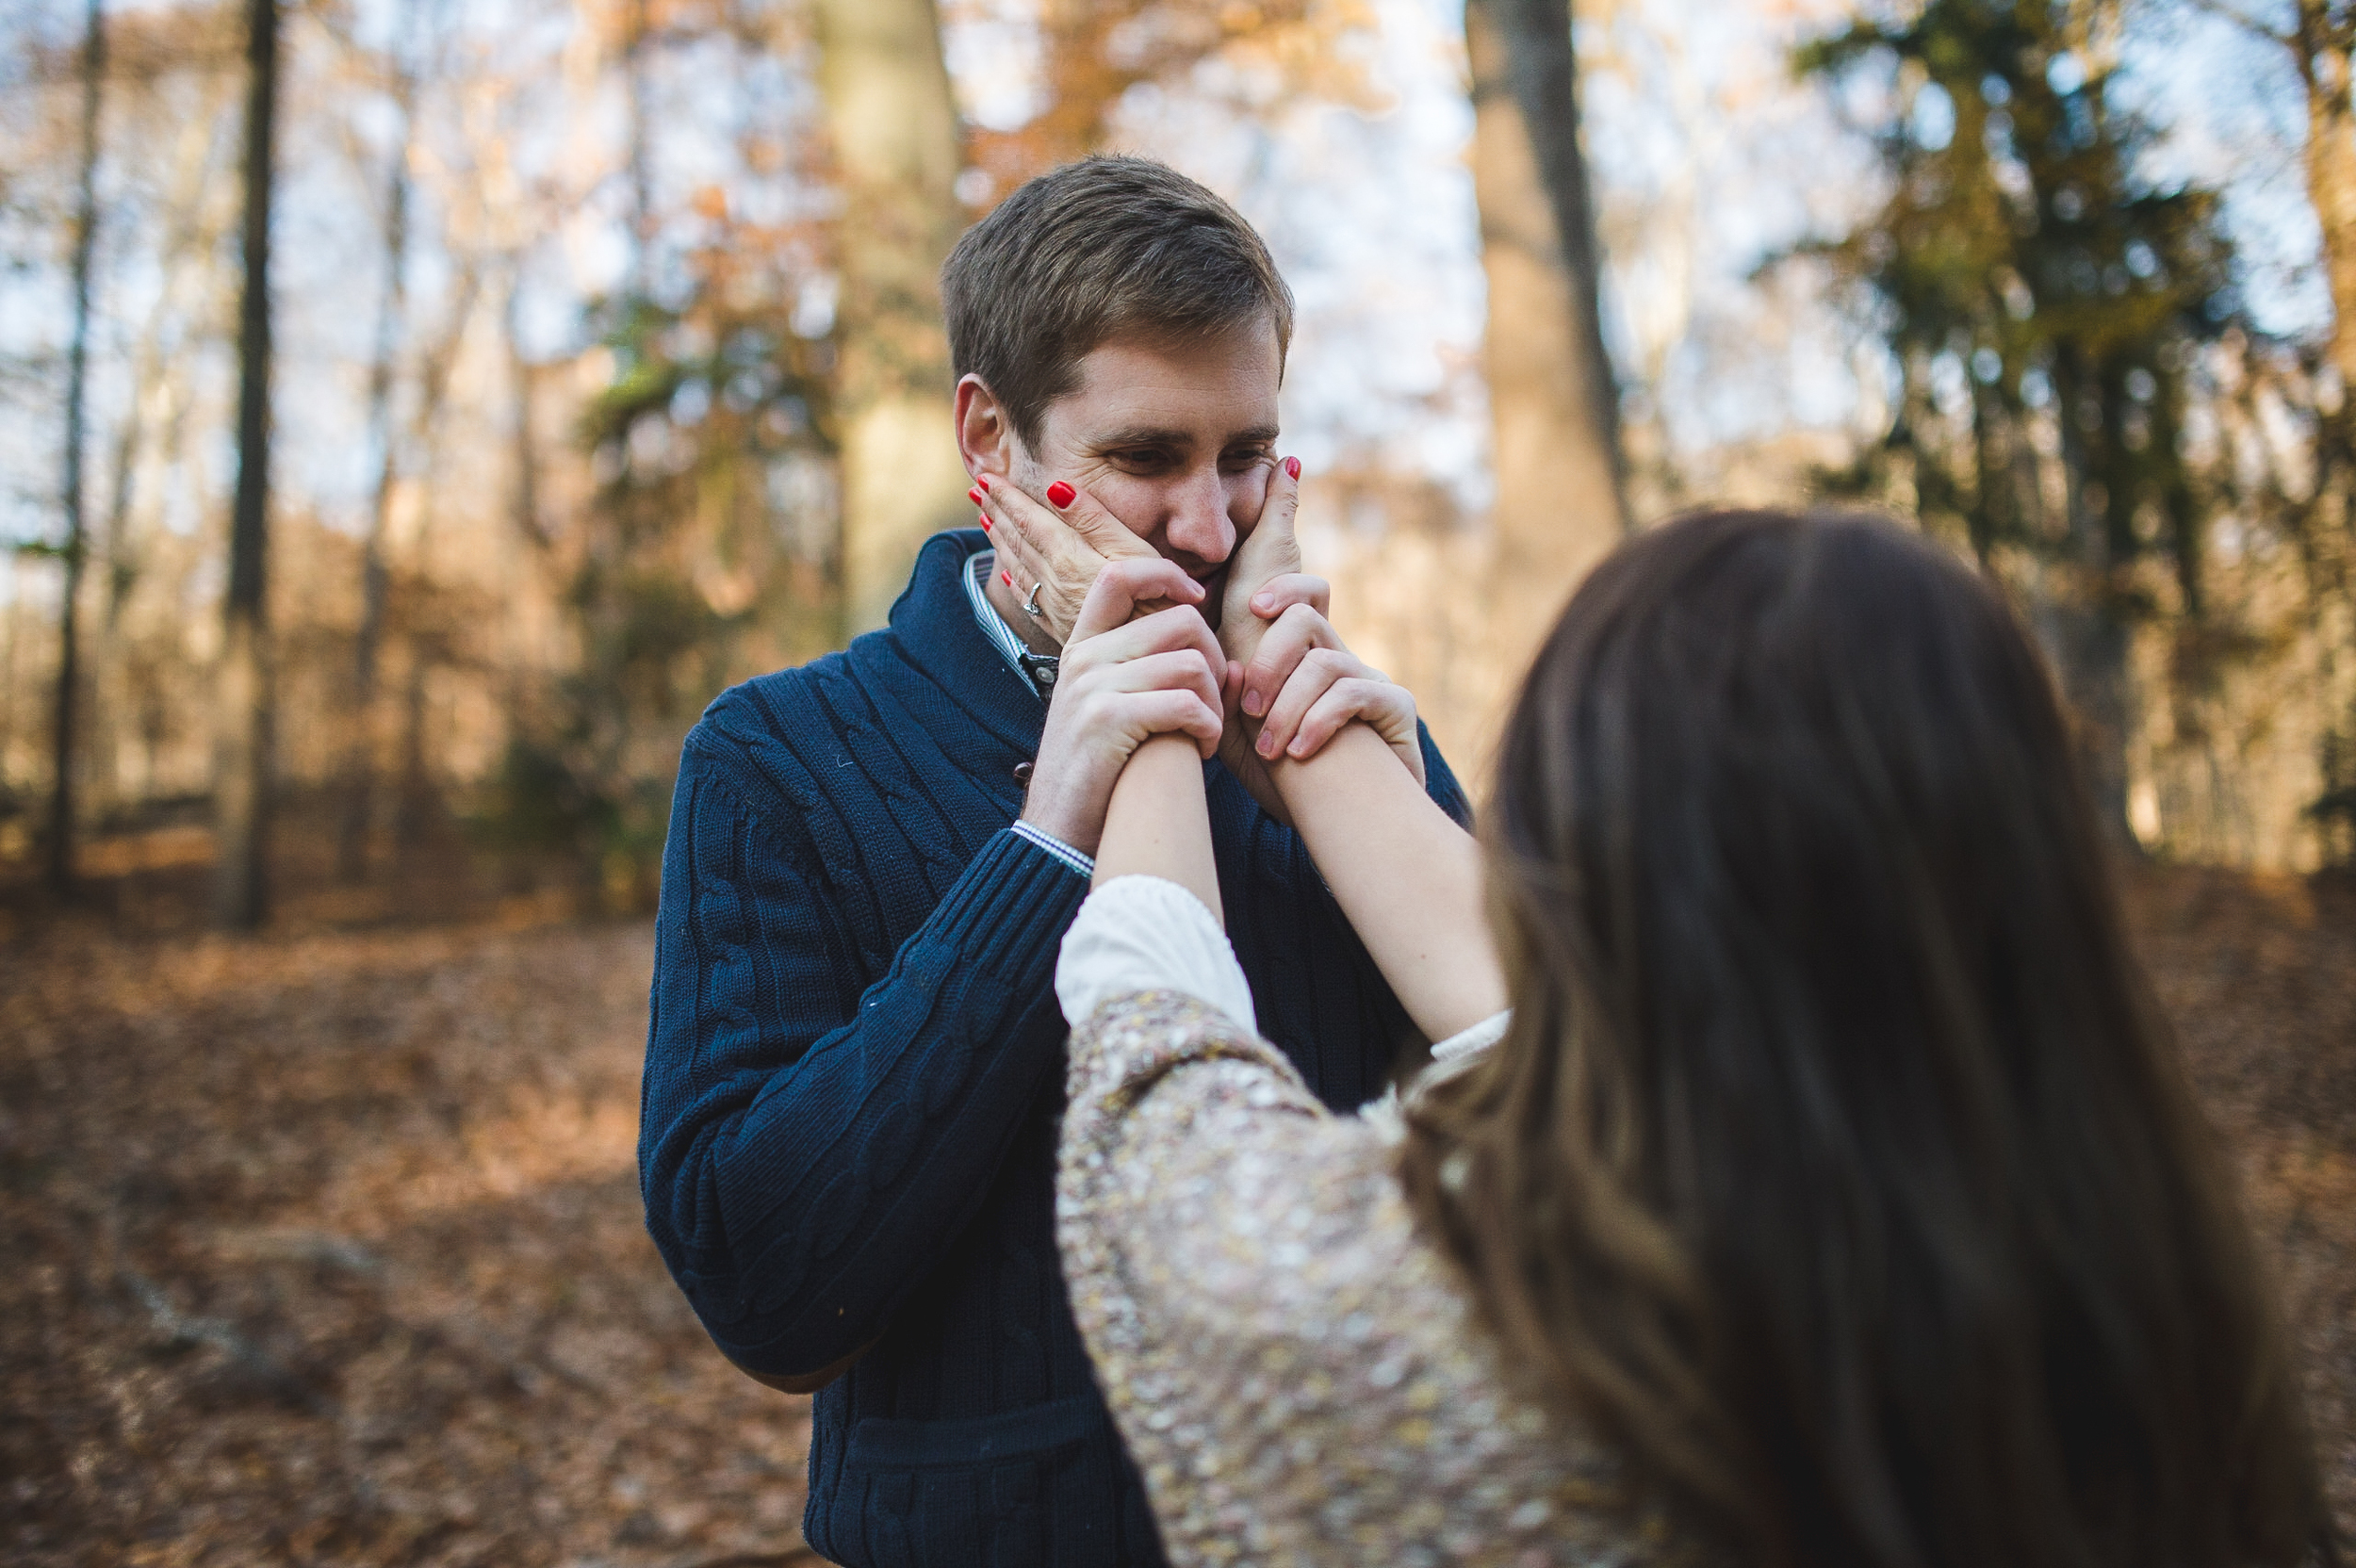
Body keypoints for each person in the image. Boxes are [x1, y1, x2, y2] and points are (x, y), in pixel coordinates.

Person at [1052, 508, 2339, 1567]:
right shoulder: (2146, 1300)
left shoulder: (1436, 1352)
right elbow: (1562, 1038)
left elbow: (1161, 1090)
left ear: (1586, 872)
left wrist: (1152, 692)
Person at [636, 155, 1467, 1567]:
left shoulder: (1339, 736)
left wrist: (1376, 794)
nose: (1210, 531)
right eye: (1147, 459)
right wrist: (1044, 847)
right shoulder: (776, 757)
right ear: (991, 438)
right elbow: (763, 1285)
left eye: (1248, 457)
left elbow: (1553, 1137)